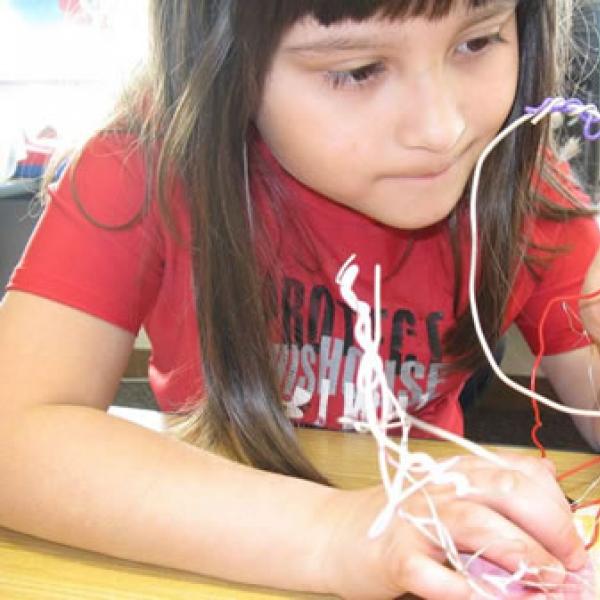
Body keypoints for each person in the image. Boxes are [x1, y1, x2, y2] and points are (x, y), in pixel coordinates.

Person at [0, 0, 599, 598]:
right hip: (197, 546)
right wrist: (334, 535)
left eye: (477, 42)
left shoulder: (529, 190)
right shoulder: (142, 167)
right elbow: (13, 436)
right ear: (223, 60)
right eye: (359, 69)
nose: (442, 129)